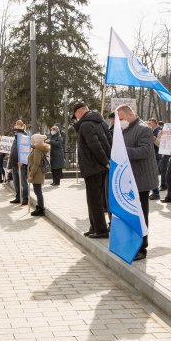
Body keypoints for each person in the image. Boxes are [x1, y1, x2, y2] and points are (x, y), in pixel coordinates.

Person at [117, 105, 158, 261]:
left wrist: (122, 150)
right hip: (129, 179)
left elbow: (145, 151)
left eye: (121, 118)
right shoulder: (125, 129)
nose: (120, 121)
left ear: (131, 114)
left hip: (141, 179)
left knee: (140, 215)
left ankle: (142, 248)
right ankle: (132, 244)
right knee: (131, 213)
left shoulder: (143, 129)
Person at [71, 102, 111, 239]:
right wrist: (107, 160)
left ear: (78, 113)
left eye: (75, 116)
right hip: (101, 166)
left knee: (94, 200)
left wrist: (105, 161)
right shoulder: (101, 122)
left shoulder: (86, 124)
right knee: (95, 199)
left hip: (93, 166)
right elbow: (109, 141)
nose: (76, 119)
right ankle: (94, 226)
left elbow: (95, 145)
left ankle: (101, 229)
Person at [28, 133, 50, 216]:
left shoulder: (37, 150)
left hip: (37, 173)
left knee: (37, 191)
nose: (31, 141)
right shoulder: (36, 149)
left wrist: (31, 174)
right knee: (37, 191)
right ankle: (40, 207)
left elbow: (36, 163)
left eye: (33, 139)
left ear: (36, 141)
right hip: (37, 172)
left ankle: (40, 208)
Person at [8, 121, 29, 204]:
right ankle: (18, 197)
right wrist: (10, 164)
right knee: (16, 183)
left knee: (23, 182)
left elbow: (25, 150)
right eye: (16, 125)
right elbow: (12, 150)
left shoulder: (24, 136)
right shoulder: (15, 137)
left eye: (18, 126)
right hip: (14, 164)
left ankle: (25, 198)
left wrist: (22, 161)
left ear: (22, 126)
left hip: (21, 164)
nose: (16, 128)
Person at [147, 118, 163, 200]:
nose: (148, 124)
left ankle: (156, 193)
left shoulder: (159, 131)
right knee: (152, 175)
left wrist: (154, 138)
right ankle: (154, 192)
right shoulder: (151, 130)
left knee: (154, 175)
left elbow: (160, 144)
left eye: (150, 123)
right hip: (152, 155)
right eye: (148, 123)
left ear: (154, 123)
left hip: (156, 156)